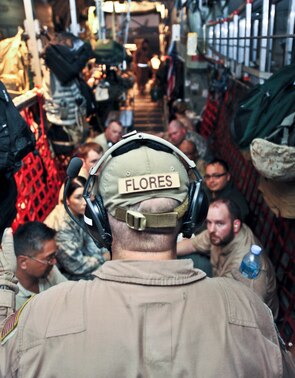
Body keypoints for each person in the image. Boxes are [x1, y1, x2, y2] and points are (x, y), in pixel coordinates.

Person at [0, 132, 294, 377]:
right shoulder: (246, 308)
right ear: (192, 212)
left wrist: (4, 290)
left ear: (97, 220)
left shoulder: (44, 313)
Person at [177, 198, 279, 319]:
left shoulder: (247, 265)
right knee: (189, 259)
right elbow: (190, 245)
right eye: (209, 222)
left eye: (219, 223)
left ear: (236, 225)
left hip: (248, 313)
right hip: (222, 284)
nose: (211, 229)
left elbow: (250, 315)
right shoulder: (220, 234)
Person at [46, 176, 109, 280]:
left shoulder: (79, 211)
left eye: (87, 195)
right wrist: (103, 259)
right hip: (63, 275)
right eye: (78, 197)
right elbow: (75, 266)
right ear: (67, 200)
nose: (85, 202)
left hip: (83, 261)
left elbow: (90, 241)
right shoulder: (62, 226)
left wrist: (104, 255)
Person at [13, 221, 67, 309]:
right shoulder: (10, 300)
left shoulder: (48, 269)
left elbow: (68, 291)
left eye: (53, 255)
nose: (54, 262)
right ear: (23, 262)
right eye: (49, 257)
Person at [204, 158, 249, 222]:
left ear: (227, 176)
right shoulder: (206, 191)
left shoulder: (235, 202)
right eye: (208, 177)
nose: (211, 181)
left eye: (216, 176)